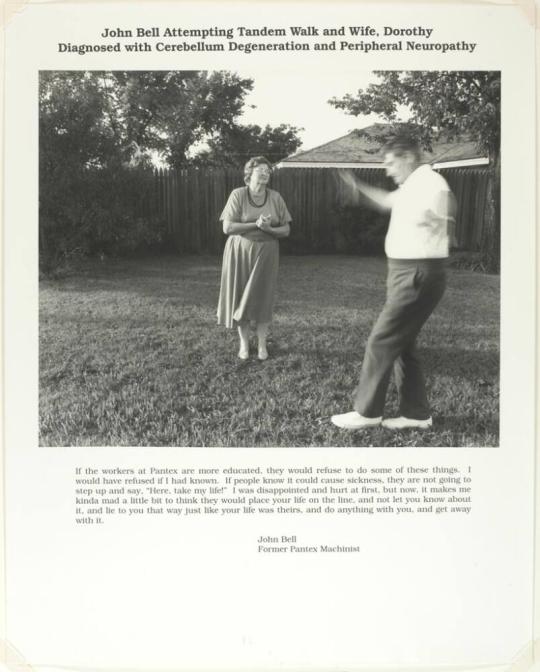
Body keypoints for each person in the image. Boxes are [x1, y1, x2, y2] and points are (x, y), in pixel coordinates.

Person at [331, 135, 457, 431]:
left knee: (381, 340)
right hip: (406, 272)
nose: (387, 170)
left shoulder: (430, 183)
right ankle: (416, 415)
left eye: (390, 163)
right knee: (402, 344)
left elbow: (445, 206)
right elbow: (387, 201)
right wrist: (358, 188)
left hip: (417, 273)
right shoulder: (412, 186)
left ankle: (367, 412)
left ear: (408, 158)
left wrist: (445, 220)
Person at [217, 156, 292, 360]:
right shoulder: (238, 194)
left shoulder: (275, 197)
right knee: (241, 296)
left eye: (268, 170)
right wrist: (255, 225)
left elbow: (286, 229)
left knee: (263, 297)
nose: (266, 173)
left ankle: (261, 345)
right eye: (262, 170)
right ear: (250, 173)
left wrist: (269, 229)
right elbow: (228, 227)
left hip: (267, 252)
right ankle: (243, 344)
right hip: (240, 252)